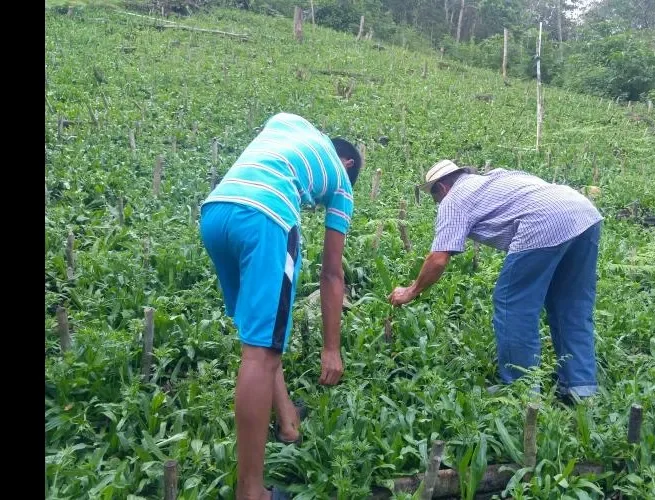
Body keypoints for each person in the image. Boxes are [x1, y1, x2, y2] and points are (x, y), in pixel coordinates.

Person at [199, 112, 360, 500]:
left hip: (216, 212)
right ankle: (252, 492)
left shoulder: (286, 123)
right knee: (260, 354)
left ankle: (287, 420)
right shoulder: (341, 183)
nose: (317, 206)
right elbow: (332, 273)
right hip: (265, 218)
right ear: (349, 163)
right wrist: (331, 347)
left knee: (259, 340)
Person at [388, 160, 603, 405]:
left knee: (513, 302)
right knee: (571, 304)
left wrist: (411, 291)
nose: (436, 202)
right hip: (584, 211)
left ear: (442, 188)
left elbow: (438, 259)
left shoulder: (453, 199)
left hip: (544, 220)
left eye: (434, 196)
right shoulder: (493, 179)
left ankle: (521, 389)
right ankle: (581, 388)